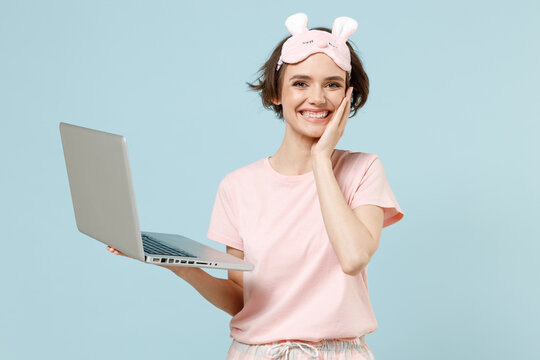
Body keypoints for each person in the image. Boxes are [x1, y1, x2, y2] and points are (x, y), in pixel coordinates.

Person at [108, 12, 404, 360]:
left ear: (348, 95)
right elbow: (241, 298)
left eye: (332, 84)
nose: (317, 98)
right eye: (300, 83)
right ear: (277, 93)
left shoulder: (363, 170)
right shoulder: (238, 186)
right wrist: (173, 263)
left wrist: (321, 159)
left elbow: (354, 257)